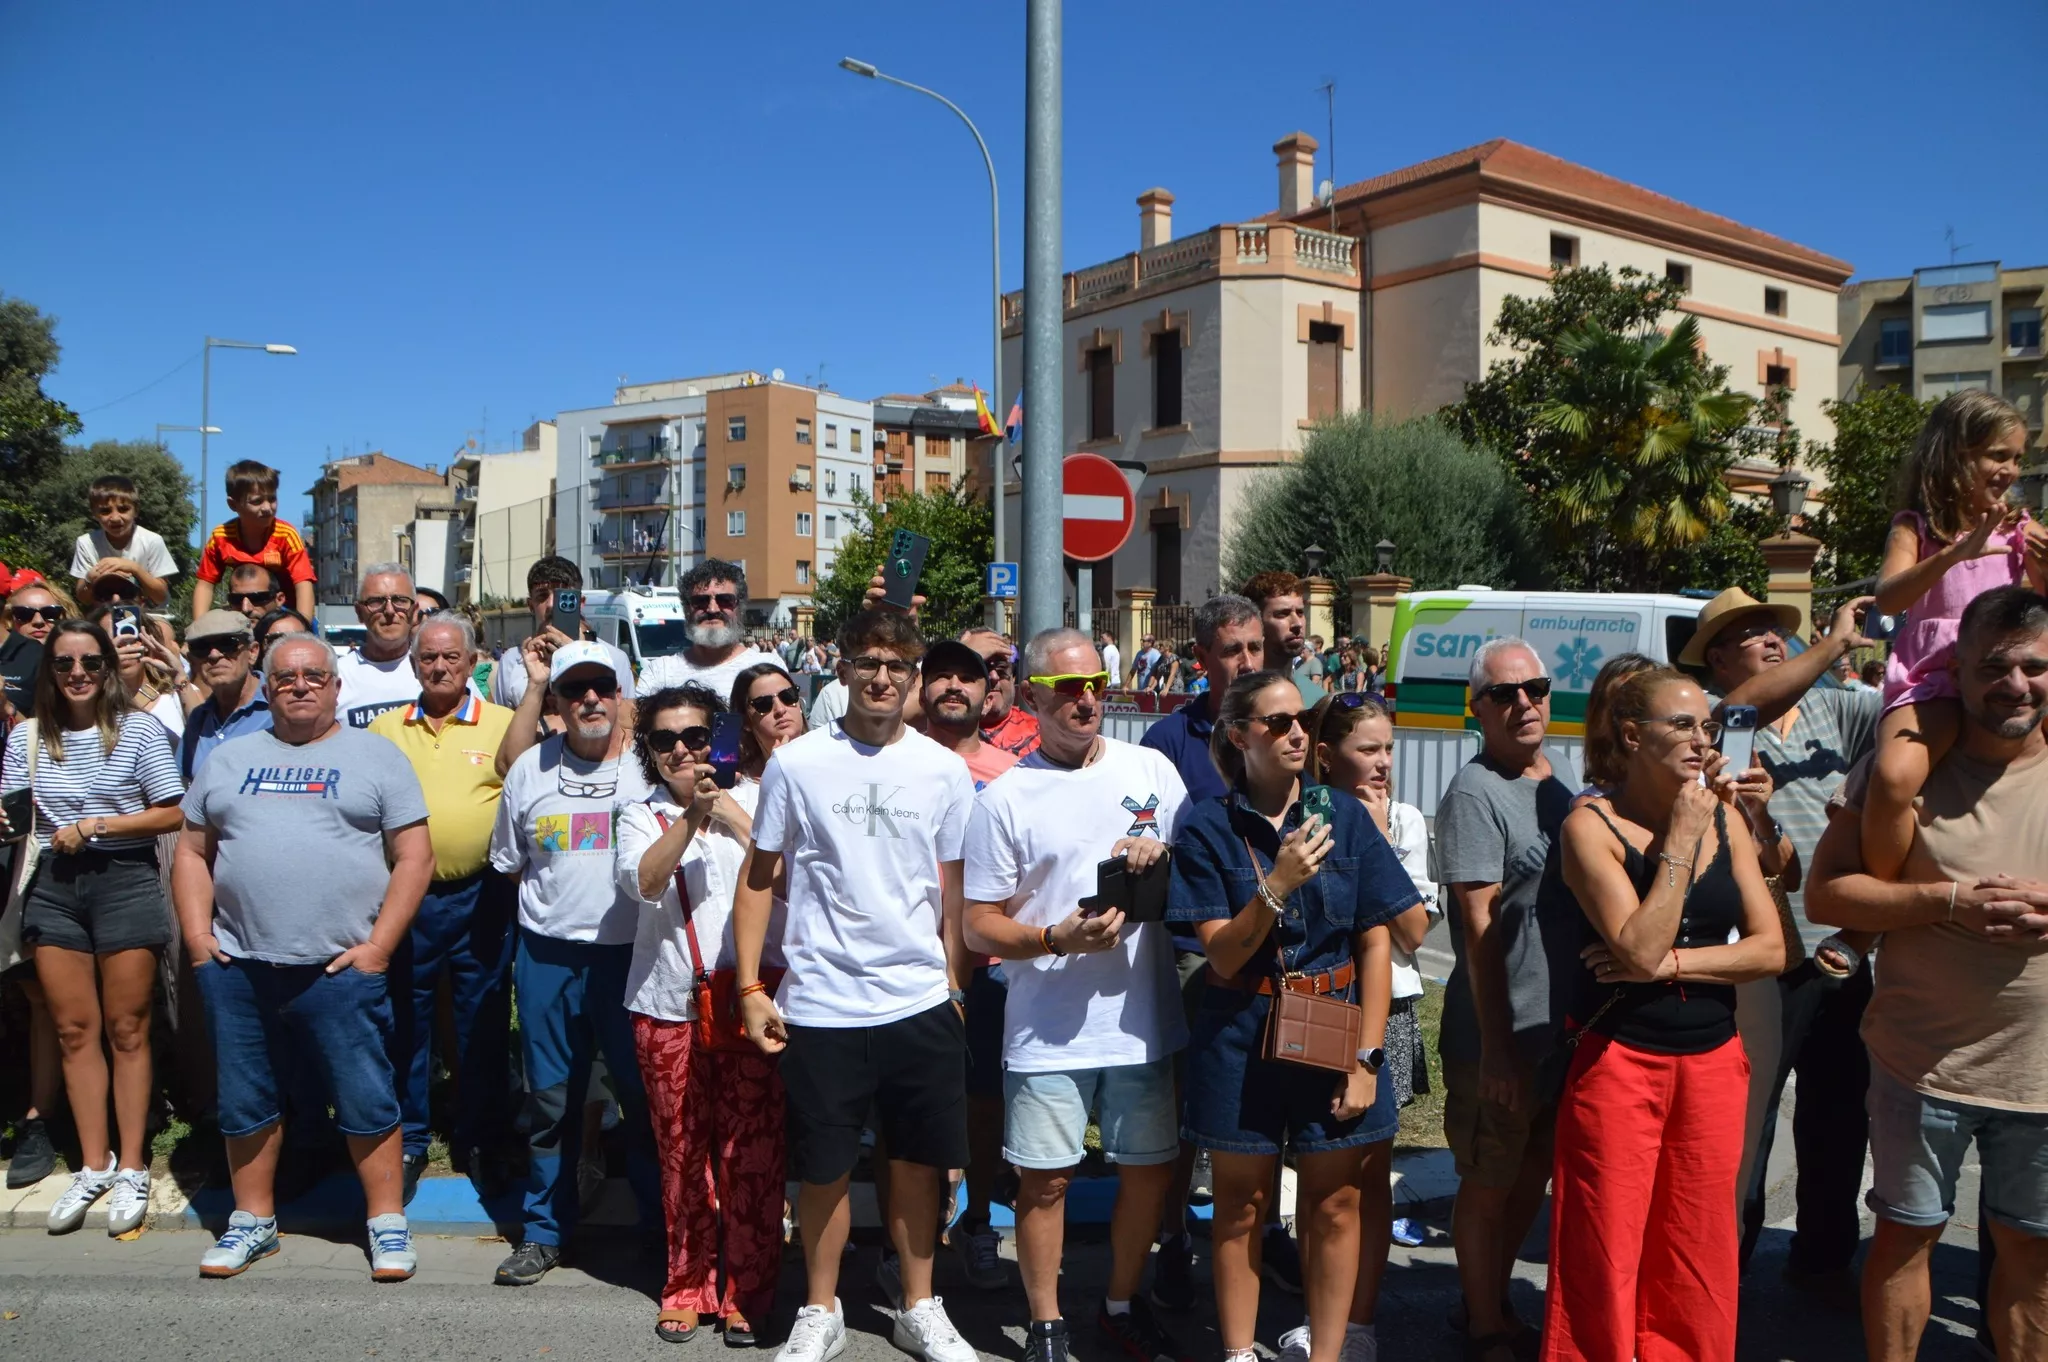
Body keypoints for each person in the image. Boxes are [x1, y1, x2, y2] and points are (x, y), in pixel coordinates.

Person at [1806, 585, 2048, 1362]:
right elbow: (1829, 890)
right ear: (1959, 670)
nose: (2016, 685)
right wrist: (1946, 901)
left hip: (2041, 1077)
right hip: (1921, 1063)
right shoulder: (1900, 773)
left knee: (2031, 1259)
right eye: (1995, 668)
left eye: (2036, 668)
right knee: (1905, 1244)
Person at [733, 607, 978, 1362]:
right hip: (823, 1001)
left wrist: (955, 982)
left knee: (916, 1162)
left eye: (897, 667)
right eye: (869, 662)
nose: (882, 678)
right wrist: (749, 986)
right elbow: (760, 875)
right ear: (840, 668)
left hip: (916, 999)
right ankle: (820, 1307)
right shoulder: (798, 763)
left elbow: (954, 884)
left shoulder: (942, 768)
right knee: (824, 1166)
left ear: (912, 680)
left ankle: (919, 1305)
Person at [1168, 670, 1416, 1362]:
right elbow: (1220, 956)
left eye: (1302, 718)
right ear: (1240, 735)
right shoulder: (1207, 827)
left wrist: (1368, 1059)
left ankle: (1330, 1352)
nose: (1298, 732)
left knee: (1335, 1203)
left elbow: (1377, 938)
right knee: (1241, 1206)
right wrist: (1276, 886)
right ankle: (1239, 1352)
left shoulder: (1341, 813)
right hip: (1239, 1028)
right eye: (1278, 723)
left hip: (1335, 1026)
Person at [1543, 666, 1786, 1362]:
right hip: (1619, 1063)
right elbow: (1640, 945)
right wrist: (1680, 837)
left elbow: (1769, 948)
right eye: (1681, 724)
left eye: (1706, 726)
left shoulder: (1727, 819)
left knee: (1695, 1247)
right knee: (1605, 1250)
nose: (1701, 740)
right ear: (1630, 735)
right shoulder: (1589, 826)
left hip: (1713, 1064)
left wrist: (1679, 965)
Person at [174, 633, 434, 1280]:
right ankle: (252, 1221)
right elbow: (190, 851)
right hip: (240, 965)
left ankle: (386, 1222)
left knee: (365, 1095)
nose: (300, 685)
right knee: (246, 1098)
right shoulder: (230, 760)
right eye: (285, 676)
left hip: (339, 969)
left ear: (335, 687)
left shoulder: (377, 758)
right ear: (266, 686)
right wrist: (199, 939)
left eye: (314, 675)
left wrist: (379, 948)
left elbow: (415, 857)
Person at [964, 629, 1191, 1362]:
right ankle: (1046, 1324)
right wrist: (1056, 939)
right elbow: (977, 925)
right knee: (1045, 1181)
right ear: (1030, 698)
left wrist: (1166, 853)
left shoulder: (1151, 768)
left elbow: (1200, 862)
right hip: (1048, 1027)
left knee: (1147, 1175)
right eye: (1065, 688)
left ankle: (1121, 1304)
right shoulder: (1005, 798)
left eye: (1093, 682)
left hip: (1142, 1020)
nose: (1084, 698)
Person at [1699, 588, 1883, 1282]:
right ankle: (1725, 1272)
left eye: (1777, 630)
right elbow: (1749, 703)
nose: (1775, 639)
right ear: (1718, 658)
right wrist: (1832, 643)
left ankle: (1824, 1262)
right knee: (1750, 1122)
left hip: (1838, 949)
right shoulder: (1720, 722)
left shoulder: (1838, 705)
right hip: (1759, 954)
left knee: (1840, 1114)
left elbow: (1909, 714)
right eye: (1752, 634)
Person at [2, 620, 185, 1234]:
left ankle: (133, 1164)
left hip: (123, 880)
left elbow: (172, 811)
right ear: (48, 672)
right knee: (73, 1030)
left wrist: (99, 825)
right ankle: (92, 1162)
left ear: (108, 667)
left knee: (126, 1027)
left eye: (89, 662)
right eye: (62, 663)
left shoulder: (139, 731)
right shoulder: (26, 737)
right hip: (53, 885)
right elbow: (15, 816)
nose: (77, 673)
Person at [485, 639, 659, 1285]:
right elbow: (509, 864)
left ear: (622, 697)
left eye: (602, 687)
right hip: (548, 958)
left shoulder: (648, 766)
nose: (590, 699)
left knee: (643, 1103)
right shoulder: (529, 769)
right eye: (575, 689)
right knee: (551, 1101)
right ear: (555, 701)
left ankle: (659, 1229)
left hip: (633, 959)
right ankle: (544, 1231)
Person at [618, 684, 786, 1345]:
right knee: (682, 1155)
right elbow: (643, 883)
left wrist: (738, 819)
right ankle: (687, 1285)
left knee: (753, 1154)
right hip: (667, 1007)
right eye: (665, 740)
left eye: (694, 736)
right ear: (650, 752)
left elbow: (798, 876)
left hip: (748, 1000)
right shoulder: (641, 814)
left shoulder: (763, 796)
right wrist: (691, 817)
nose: (682, 750)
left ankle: (749, 1289)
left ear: (716, 738)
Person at [1435, 638, 1574, 1362]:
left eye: (1537, 688)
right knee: (1488, 1180)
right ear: (1478, 709)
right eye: (1504, 694)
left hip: (1561, 1029)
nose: (1525, 702)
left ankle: (1488, 1298)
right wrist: (1496, 1046)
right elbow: (1477, 928)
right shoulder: (1475, 792)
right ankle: (1484, 1323)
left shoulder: (1558, 777)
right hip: (1500, 1030)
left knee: (1530, 1173)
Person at [1137, 593, 1274, 1304]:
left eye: (1254, 647)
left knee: (1270, 1093)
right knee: (1190, 1100)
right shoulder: (1168, 740)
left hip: (1282, 947)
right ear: (1203, 659)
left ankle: (1264, 1236)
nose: (1246, 661)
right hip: (1198, 945)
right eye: (1232, 650)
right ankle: (1174, 1240)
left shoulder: (1287, 727)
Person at [1862, 390, 2046, 880]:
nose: (2010, 470)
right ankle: (1877, 897)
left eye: (2017, 459)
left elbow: (2038, 611)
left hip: (2005, 672)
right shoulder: (1916, 526)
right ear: (1955, 454)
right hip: (1936, 674)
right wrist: (1953, 554)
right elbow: (1888, 599)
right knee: (1895, 778)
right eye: (1997, 455)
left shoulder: (2020, 528)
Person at [368, 612, 518, 1204]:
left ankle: (479, 1135)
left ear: (473, 662)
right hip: (407, 900)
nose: (438, 667)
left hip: (482, 895)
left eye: (450, 657)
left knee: (482, 1020)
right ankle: (409, 1137)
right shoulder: (384, 730)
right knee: (408, 1021)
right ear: (412, 663)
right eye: (427, 658)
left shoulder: (504, 726)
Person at [1308, 692, 1441, 1261]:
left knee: (1374, 1156)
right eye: (1368, 749)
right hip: (1325, 997)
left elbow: (1413, 932)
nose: (1384, 762)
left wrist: (1373, 837)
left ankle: (1365, 1295)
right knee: (1322, 1153)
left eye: (1389, 748)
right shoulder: (1307, 815)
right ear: (1327, 756)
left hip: (1393, 1002)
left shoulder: (1404, 818)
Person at [490, 557, 635, 712]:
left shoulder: (614, 658)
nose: (552, 604)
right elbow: (504, 726)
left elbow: (626, 724)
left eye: (564, 596)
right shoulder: (512, 662)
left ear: (581, 602)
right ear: (531, 605)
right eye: (542, 596)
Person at [191, 460, 317, 619]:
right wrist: (198, 632)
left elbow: (303, 584)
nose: (267, 507)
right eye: (257, 501)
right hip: (244, 614)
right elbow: (205, 585)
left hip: (286, 613)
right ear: (233, 504)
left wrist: (302, 626)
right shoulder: (221, 537)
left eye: (272, 499)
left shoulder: (286, 535)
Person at [635, 559, 776, 700]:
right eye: (700, 601)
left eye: (725, 600)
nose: (712, 609)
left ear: (740, 608)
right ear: (686, 609)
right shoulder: (660, 672)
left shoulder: (769, 667)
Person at [334, 564, 430, 730]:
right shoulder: (336, 676)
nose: (390, 610)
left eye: (400, 600)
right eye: (376, 601)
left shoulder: (439, 668)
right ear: (359, 612)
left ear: (414, 611)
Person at [180, 612, 273, 782]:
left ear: (252, 652)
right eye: (201, 648)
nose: (214, 655)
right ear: (193, 660)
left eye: (227, 644)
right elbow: (186, 784)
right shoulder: (198, 718)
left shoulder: (279, 707)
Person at [70, 474, 175, 607]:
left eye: (123, 509)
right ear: (94, 514)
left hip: (150, 615)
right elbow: (83, 597)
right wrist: (89, 580)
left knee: (162, 628)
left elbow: (160, 596)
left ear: (136, 510)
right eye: (105, 511)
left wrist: (134, 568)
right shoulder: (86, 543)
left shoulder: (152, 541)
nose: (115, 518)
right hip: (105, 614)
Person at [1240, 572, 1325, 704]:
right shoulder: (1234, 699)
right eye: (1282, 614)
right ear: (1254, 622)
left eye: (1300, 612)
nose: (1297, 623)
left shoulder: (1316, 700)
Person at [966, 627, 1041, 758]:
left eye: (1001, 670)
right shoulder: (937, 735)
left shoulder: (1044, 736)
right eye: (981, 668)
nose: (994, 677)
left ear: (1013, 677)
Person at [223, 564, 288, 625]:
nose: (245, 609)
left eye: (256, 598)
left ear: (279, 599)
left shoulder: (293, 634)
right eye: (236, 599)